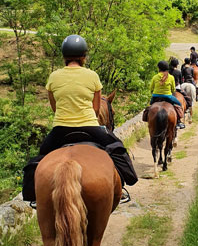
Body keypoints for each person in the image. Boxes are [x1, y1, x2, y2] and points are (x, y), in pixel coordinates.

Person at [22, 35, 137, 207]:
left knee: (40, 156)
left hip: (60, 129)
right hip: (90, 127)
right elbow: (96, 109)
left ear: (64, 57)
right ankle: (122, 187)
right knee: (118, 149)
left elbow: (54, 107)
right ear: (84, 56)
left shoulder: (54, 77)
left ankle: (34, 197)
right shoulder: (92, 76)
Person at [149, 60, 185, 129]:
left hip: (155, 96)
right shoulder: (171, 77)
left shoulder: (155, 77)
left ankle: (148, 119)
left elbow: (151, 88)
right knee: (179, 105)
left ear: (159, 68)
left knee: (150, 107)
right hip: (168, 96)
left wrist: (154, 93)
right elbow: (173, 89)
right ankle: (178, 121)